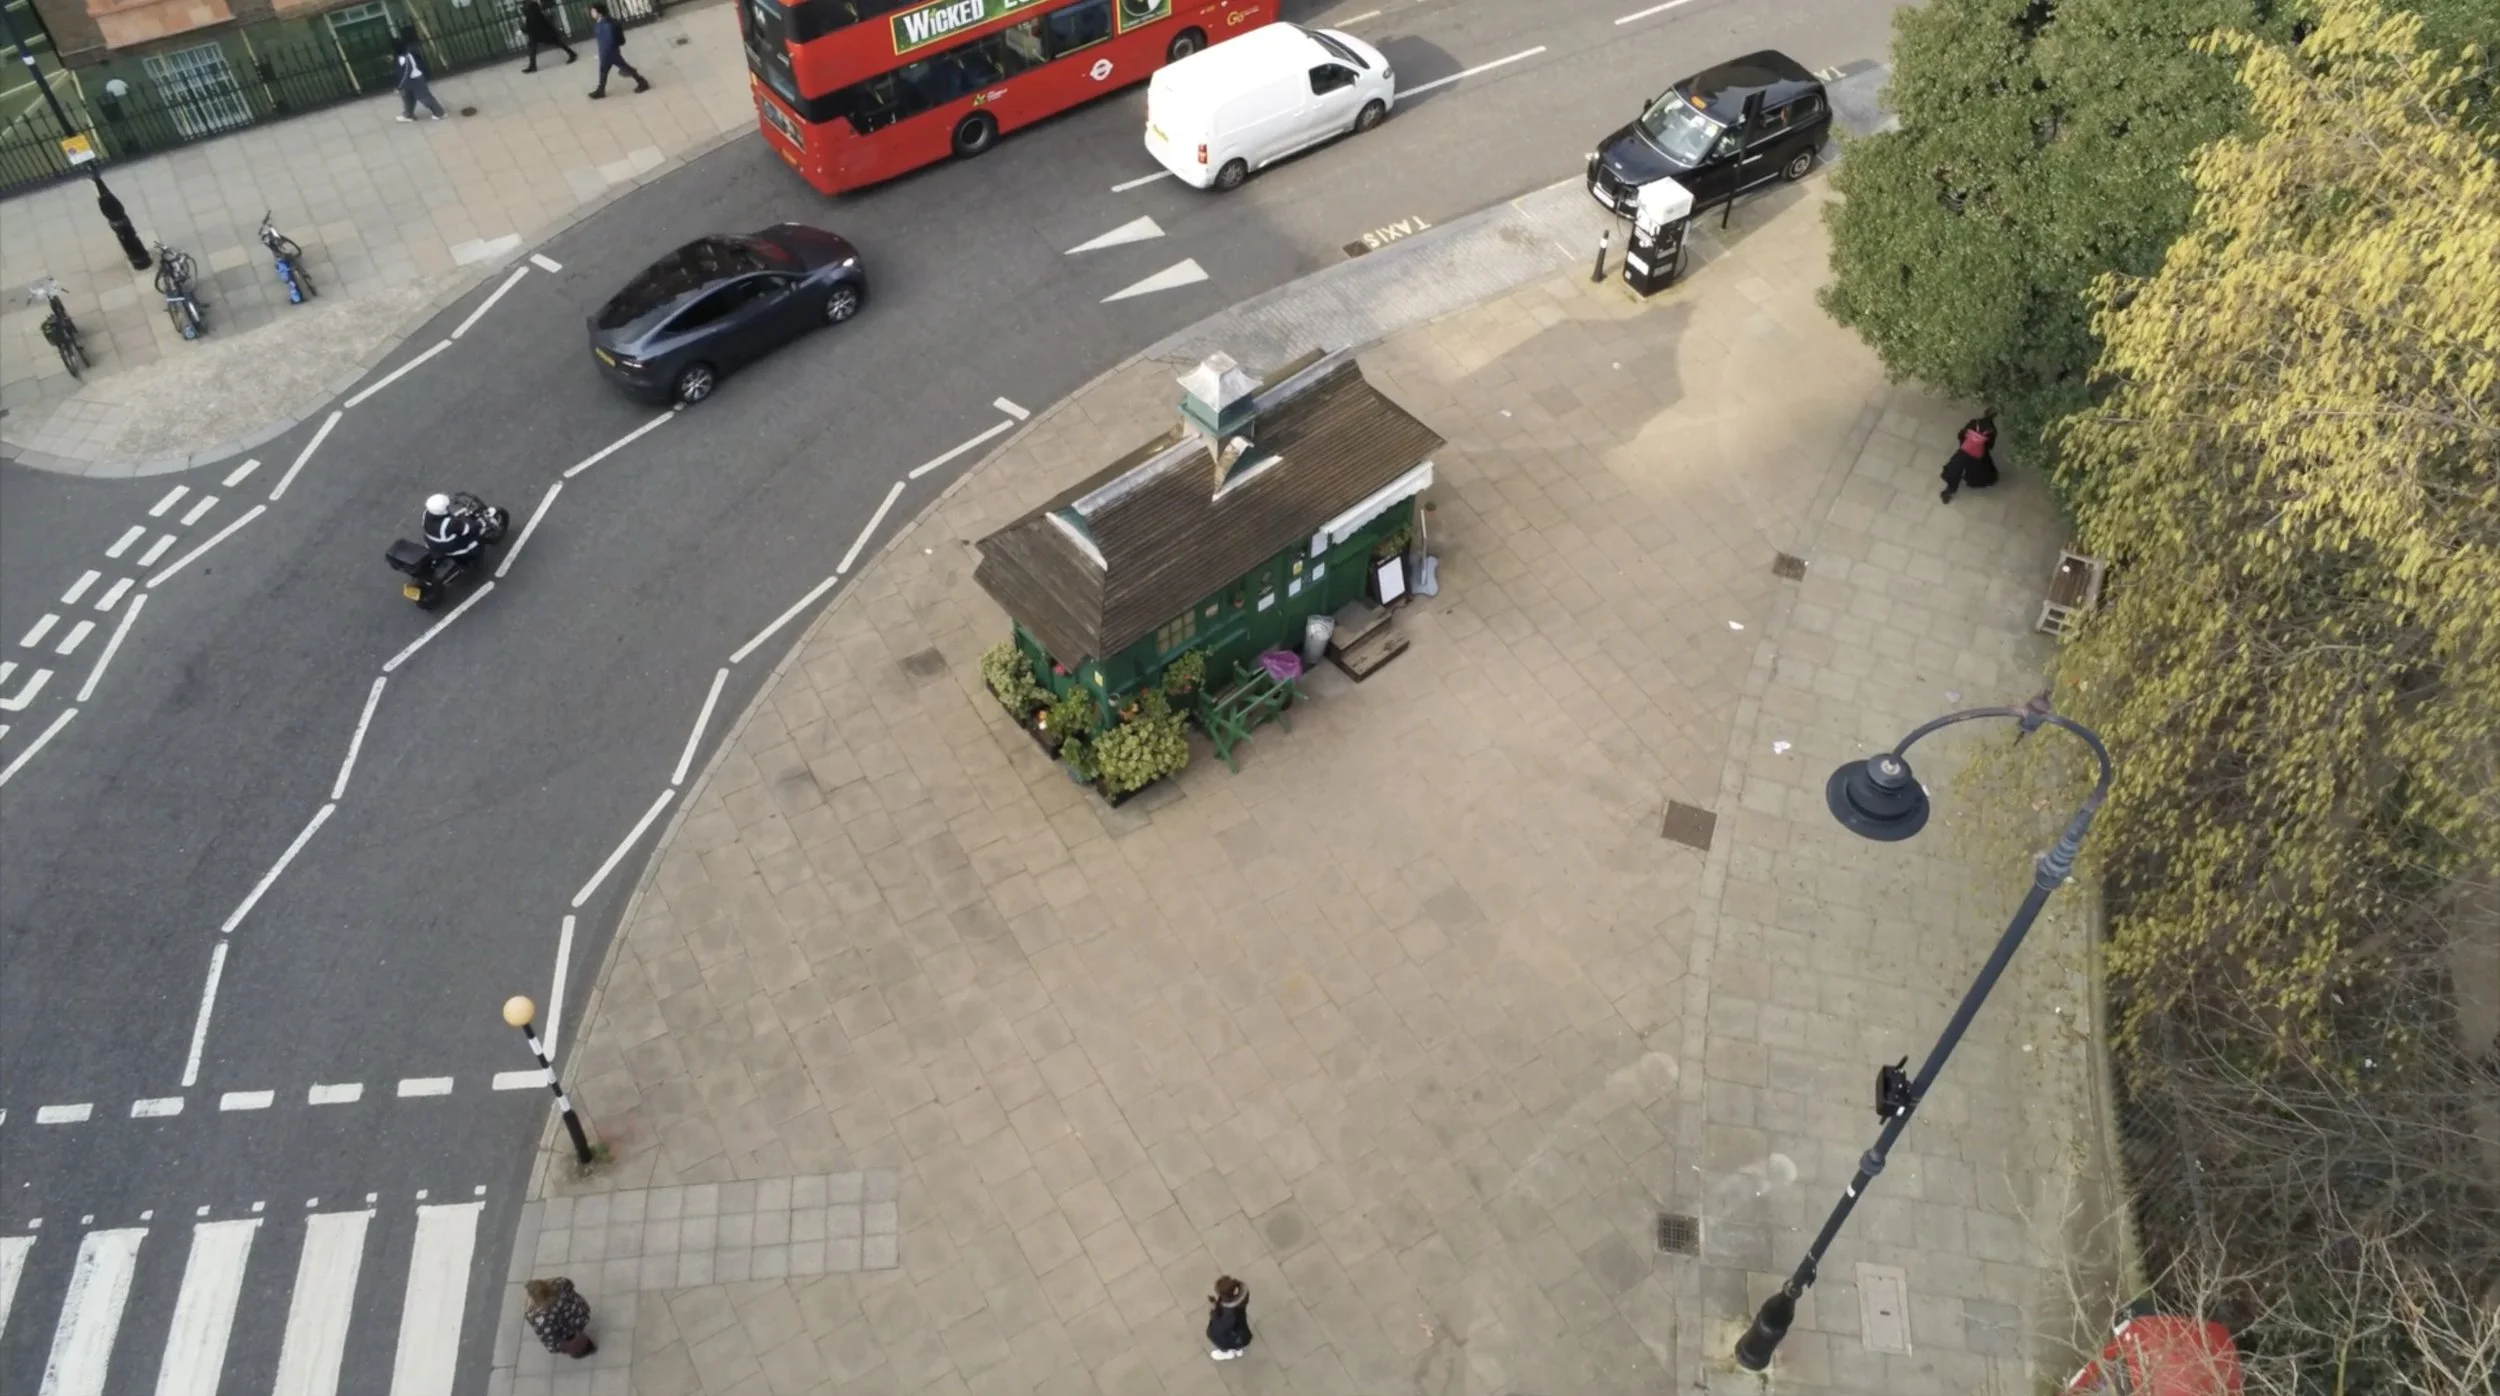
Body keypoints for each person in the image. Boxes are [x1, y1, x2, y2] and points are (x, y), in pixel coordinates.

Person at [587, 4, 649, 99]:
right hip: (605, 52)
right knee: (604, 71)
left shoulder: (606, 24)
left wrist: (602, 54)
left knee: (624, 67)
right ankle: (600, 90)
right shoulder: (600, 23)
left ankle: (642, 82)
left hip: (610, 53)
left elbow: (609, 41)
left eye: (593, 11)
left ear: (599, 12)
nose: (591, 13)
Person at [524, 1277, 597, 1358]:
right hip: (578, 1317)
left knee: (572, 1344)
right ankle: (585, 1343)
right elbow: (570, 1284)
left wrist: (554, 1348)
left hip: (563, 1335)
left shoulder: (537, 1316)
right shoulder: (559, 1284)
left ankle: (579, 1351)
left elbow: (547, 1336)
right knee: (578, 1333)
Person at [1941, 409, 2000, 503]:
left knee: (1955, 469)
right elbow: (1990, 446)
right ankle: (1974, 480)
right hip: (1977, 455)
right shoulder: (1992, 430)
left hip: (1965, 450)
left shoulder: (1974, 422)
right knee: (1978, 470)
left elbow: (1961, 434)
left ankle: (1950, 489)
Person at [394, 37, 446, 122]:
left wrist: (400, 86)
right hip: (410, 81)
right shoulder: (403, 56)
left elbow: (407, 72)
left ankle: (439, 113)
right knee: (408, 98)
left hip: (415, 80)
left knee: (424, 97)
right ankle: (408, 115)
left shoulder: (405, 57)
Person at [422, 493, 484, 561]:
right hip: (448, 547)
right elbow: (468, 529)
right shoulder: (451, 524)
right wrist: (480, 523)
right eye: (446, 506)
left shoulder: (426, 514)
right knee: (475, 543)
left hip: (431, 543)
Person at [521, 0, 578, 71]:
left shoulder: (532, 6)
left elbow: (534, 20)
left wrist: (527, 29)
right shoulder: (530, 5)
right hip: (538, 31)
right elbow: (532, 19)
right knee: (534, 46)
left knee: (555, 42)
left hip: (540, 31)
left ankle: (572, 53)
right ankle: (532, 65)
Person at [1206, 1275, 1253, 1361]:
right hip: (1241, 1331)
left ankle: (1228, 1352)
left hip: (1234, 1337)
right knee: (1239, 1335)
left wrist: (1213, 1310)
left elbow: (1220, 1327)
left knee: (1213, 1335)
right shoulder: (1241, 1298)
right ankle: (1238, 1349)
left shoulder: (1229, 1314)